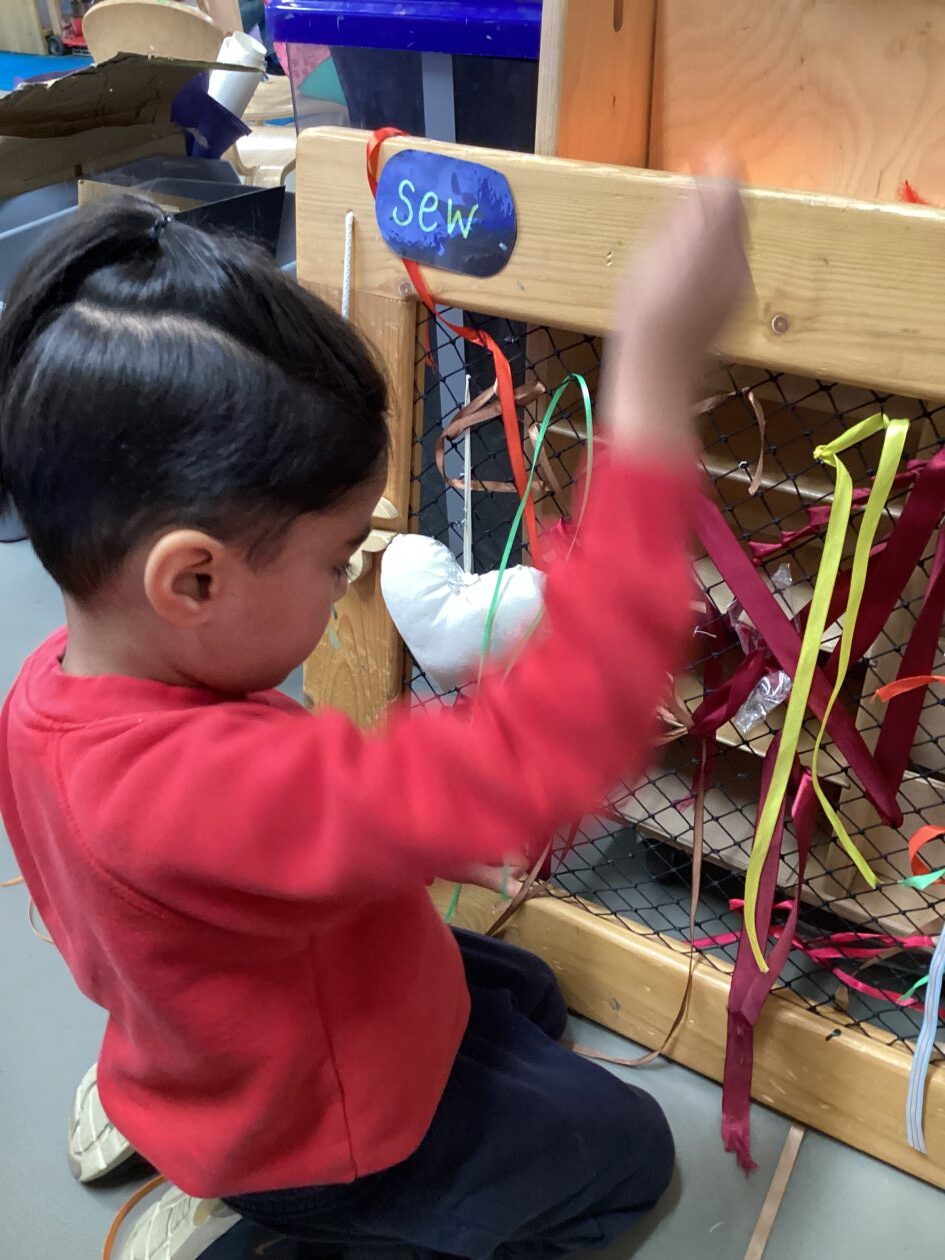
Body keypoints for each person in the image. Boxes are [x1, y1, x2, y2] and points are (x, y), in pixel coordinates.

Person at [0, 181, 747, 1258]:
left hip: (225, 1031)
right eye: (336, 559)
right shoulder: (200, 790)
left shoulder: (52, 687)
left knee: (527, 993)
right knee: (627, 1157)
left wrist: (401, 837)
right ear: (194, 581)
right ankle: (283, 1227)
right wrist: (652, 387)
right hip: (318, 1131)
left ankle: (179, 1116)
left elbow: (220, 866)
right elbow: (548, 748)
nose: (349, 578)